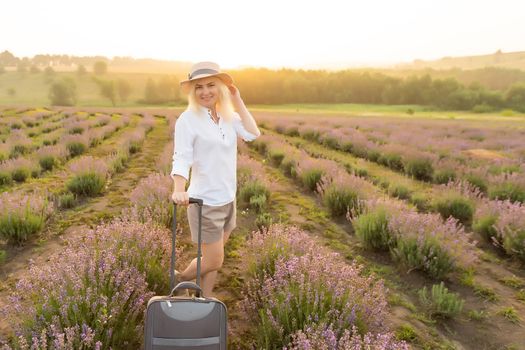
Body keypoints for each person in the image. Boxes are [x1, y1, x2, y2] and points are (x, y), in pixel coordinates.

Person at [170, 61, 260, 297]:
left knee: (212, 259)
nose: (205, 91)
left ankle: (205, 299)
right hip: (204, 203)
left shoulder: (227, 116)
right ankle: (179, 279)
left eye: (211, 85)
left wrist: (237, 100)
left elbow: (252, 133)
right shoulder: (187, 120)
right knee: (213, 260)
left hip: (228, 199)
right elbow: (181, 157)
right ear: (193, 91)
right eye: (199, 87)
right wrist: (179, 188)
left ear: (221, 88)